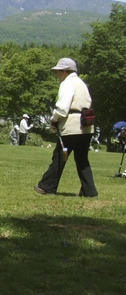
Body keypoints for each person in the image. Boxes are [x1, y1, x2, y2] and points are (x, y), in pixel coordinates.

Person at [34, 58, 97, 197]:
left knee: (60, 157)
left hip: (72, 126)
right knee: (82, 159)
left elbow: (63, 108)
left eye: (58, 72)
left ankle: (47, 186)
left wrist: (54, 119)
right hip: (86, 126)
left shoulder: (67, 83)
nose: (56, 75)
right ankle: (89, 190)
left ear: (64, 71)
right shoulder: (81, 83)